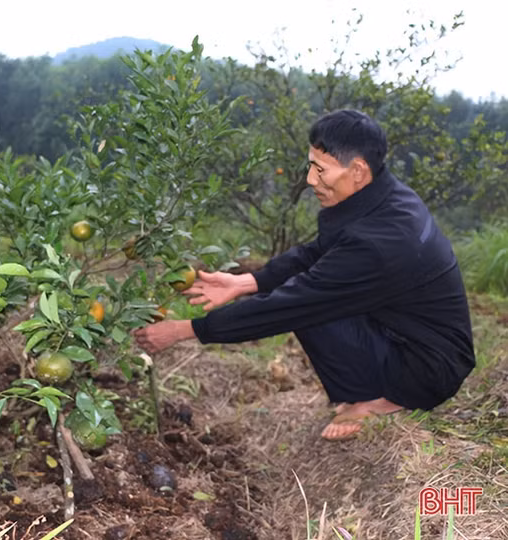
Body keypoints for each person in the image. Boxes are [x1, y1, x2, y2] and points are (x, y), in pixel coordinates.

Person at [134, 109, 476, 441]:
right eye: (310, 166)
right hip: (406, 334)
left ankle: (383, 400)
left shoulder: (382, 242)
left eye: (320, 170)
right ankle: (374, 386)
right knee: (310, 297)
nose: (311, 180)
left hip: (427, 369)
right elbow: (319, 252)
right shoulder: (382, 197)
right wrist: (245, 282)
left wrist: (185, 330)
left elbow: (290, 304)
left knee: (308, 307)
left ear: (357, 170)